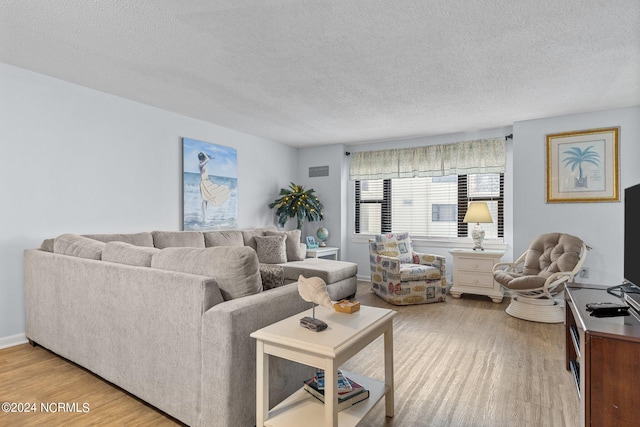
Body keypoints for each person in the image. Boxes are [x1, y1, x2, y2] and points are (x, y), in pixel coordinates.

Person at [198, 152, 231, 221]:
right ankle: (204, 217)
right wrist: (204, 153)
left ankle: (204, 216)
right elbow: (207, 159)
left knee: (207, 199)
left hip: (207, 182)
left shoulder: (202, 164)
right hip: (204, 182)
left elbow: (207, 160)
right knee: (205, 199)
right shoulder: (201, 164)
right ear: (202, 158)